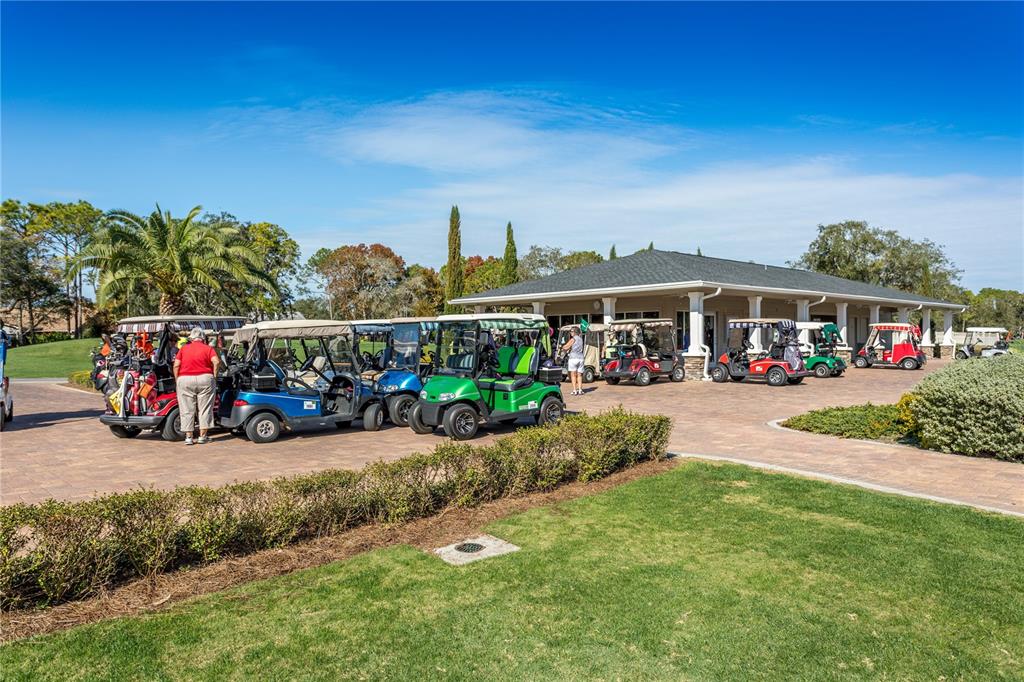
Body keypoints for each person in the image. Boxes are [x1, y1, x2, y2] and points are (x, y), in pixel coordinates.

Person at [173, 327, 221, 445]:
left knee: (186, 409)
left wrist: (177, 379)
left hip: (185, 379)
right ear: (203, 338)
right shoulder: (208, 348)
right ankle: (202, 436)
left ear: (191, 338)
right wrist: (214, 376)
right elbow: (216, 361)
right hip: (205, 378)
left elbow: (176, 365)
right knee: (205, 408)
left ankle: (189, 437)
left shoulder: (184, 349)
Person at [561, 326, 585, 396]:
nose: (570, 333)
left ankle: (574, 390)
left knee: (573, 375)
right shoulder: (581, 339)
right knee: (579, 375)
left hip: (573, 358)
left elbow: (566, 347)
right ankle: (580, 390)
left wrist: (562, 347)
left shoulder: (573, 339)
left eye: (571, 331)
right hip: (581, 358)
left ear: (575, 332)